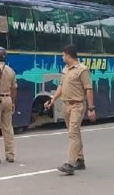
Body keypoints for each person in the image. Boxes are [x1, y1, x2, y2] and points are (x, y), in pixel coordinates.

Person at [45, 44, 96, 175]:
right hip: (66, 105)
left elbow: (88, 89)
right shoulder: (65, 69)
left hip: (77, 105)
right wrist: (52, 100)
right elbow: (61, 87)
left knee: (72, 133)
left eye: (63, 55)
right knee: (74, 132)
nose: (62, 57)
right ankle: (80, 159)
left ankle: (70, 163)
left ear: (68, 55)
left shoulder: (82, 70)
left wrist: (91, 108)